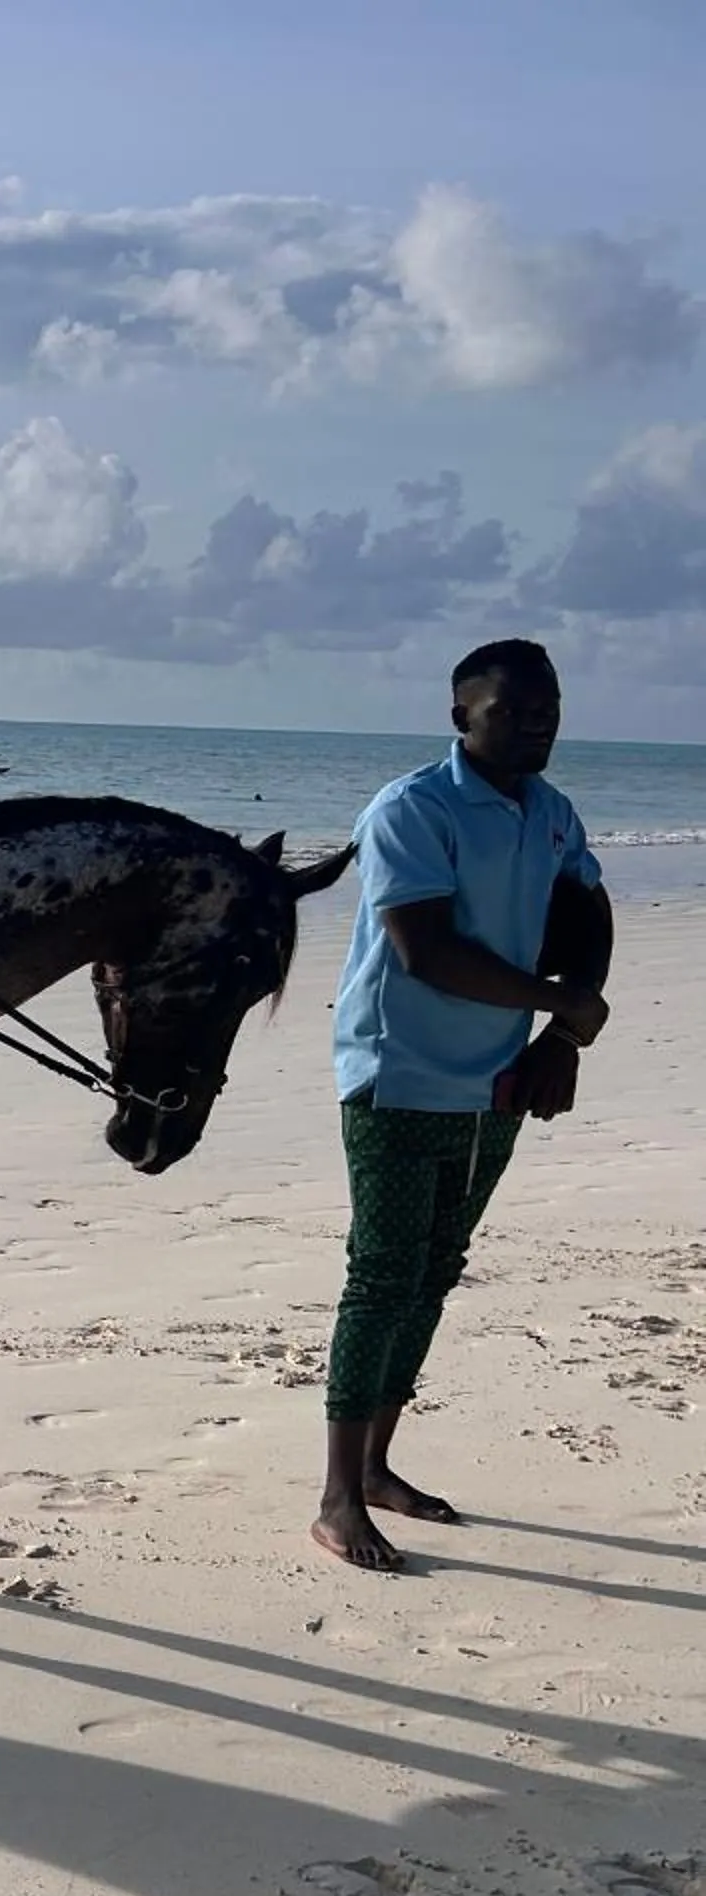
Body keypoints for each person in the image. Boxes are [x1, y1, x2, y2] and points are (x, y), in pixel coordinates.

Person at [314, 638, 614, 1571]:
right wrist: (563, 1004)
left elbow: (589, 915)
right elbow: (425, 951)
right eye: (515, 710)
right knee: (383, 1276)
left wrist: (558, 1041)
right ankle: (334, 1498)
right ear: (461, 717)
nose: (538, 725)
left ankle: (376, 1468)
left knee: (439, 1267)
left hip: (497, 1083)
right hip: (398, 1075)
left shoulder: (551, 812)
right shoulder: (413, 808)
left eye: (548, 710)